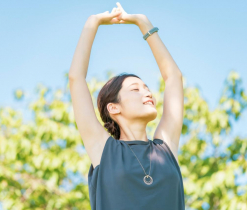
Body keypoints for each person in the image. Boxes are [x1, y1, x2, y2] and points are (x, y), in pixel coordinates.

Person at [68, 2, 185, 210]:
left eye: (147, 87)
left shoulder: (165, 148)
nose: (147, 92)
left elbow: (173, 78)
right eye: (135, 89)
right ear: (114, 108)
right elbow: (76, 78)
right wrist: (92, 23)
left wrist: (143, 23)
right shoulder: (104, 150)